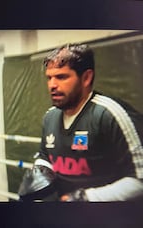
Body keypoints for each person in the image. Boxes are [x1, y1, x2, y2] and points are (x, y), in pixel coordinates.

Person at [19, 43, 143, 201]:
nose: (52, 85)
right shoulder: (50, 117)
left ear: (86, 78)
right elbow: (45, 155)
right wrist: (41, 170)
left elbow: (139, 179)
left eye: (61, 77)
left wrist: (85, 198)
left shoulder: (110, 114)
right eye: (49, 78)